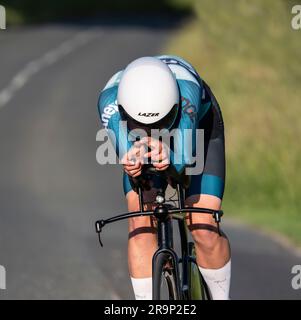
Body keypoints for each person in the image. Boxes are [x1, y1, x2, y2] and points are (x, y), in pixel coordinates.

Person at [98, 55, 231, 300]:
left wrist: (170, 160)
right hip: (140, 135)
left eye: (161, 122)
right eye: (141, 124)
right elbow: (128, 156)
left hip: (198, 129)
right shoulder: (109, 101)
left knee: (204, 227)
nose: (153, 131)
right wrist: (133, 163)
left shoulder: (187, 91)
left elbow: (180, 162)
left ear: (174, 108)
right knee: (140, 224)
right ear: (123, 111)